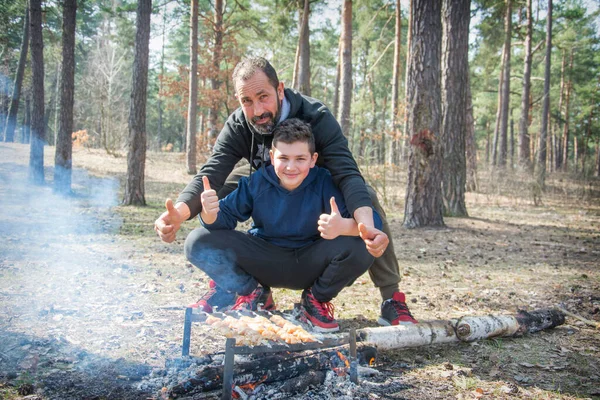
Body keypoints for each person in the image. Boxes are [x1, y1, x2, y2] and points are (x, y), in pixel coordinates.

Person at [154, 56, 417, 326]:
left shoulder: (317, 117)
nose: (257, 110)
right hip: (264, 175)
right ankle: (233, 286)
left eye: (263, 97)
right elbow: (212, 171)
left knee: (365, 199)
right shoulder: (239, 124)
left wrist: (363, 226)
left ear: (280, 90)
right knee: (217, 193)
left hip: (313, 179)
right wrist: (181, 212)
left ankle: (391, 297)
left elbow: (347, 174)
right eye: (247, 101)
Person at [185, 119, 378, 332]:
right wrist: (210, 214)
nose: (290, 167)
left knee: (364, 244)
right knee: (197, 241)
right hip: (264, 261)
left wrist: (342, 226)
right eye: (283, 158)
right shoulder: (256, 182)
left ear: (313, 159)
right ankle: (253, 293)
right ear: (271, 157)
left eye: (300, 159)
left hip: (310, 263)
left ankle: (314, 301)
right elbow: (224, 220)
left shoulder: (325, 182)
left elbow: (373, 225)